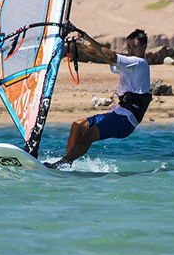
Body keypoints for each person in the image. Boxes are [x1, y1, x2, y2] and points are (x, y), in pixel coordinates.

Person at [47, 28, 152, 167]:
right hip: (117, 113)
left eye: (135, 46)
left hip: (126, 120)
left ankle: (62, 163)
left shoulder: (139, 63)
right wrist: (80, 43)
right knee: (78, 125)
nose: (131, 50)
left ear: (144, 47)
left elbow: (110, 56)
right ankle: (67, 164)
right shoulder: (129, 65)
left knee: (90, 134)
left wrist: (87, 38)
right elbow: (100, 55)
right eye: (128, 46)